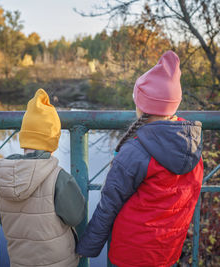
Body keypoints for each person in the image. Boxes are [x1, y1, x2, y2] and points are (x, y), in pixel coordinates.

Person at [76, 51, 204, 267]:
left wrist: (87, 247)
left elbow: (109, 204)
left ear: (140, 106)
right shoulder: (193, 145)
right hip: (167, 251)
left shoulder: (136, 150)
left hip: (131, 252)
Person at [0, 88, 85, 267]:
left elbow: (5, 220)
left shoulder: (2, 176)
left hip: (20, 260)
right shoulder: (58, 177)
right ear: (53, 140)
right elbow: (75, 217)